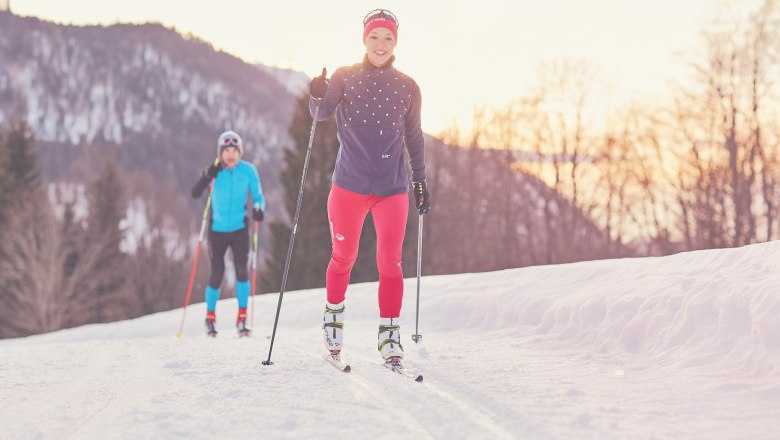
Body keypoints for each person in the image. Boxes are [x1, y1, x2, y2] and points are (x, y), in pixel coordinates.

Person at [308, 9, 431, 365]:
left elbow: (414, 137)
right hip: (348, 186)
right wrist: (316, 93)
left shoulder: (408, 87)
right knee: (344, 257)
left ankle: (389, 336)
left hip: (392, 190)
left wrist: (420, 180)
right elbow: (319, 114)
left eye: (388, 38)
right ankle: (333, 320)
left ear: (396, 43)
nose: (381, 45)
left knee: (390, 262)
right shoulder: (345, 78)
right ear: (365, 39)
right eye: (375, 37)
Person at [191, 130, 266, 337]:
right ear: (220, 153)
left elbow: (259, 196)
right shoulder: (215, 172)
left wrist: (259, 209)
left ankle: (242, 319)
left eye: (234, 150)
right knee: (217, 273)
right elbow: (195, 193)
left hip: (240, 229)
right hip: (217, 230)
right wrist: (208, 174)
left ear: (240, 152)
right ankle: (210, 318)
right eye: (226, 151)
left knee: (242, 271)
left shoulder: (248, 170)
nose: (231, 155)